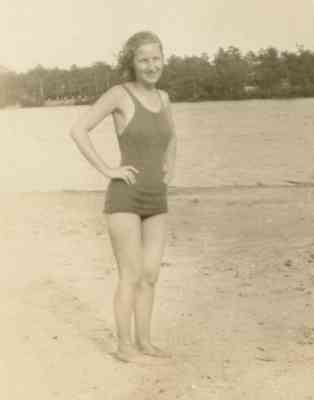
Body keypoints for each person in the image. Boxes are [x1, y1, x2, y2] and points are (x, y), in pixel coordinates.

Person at [70, 31, 177, 362]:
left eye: (156, 59)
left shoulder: (164, 98)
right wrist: (107, 169)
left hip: (156, 198)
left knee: (150, 275)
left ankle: (145, 342)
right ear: (132, 63)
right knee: (130, 275)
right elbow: (78, 130)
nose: (151, 65)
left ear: (163, 60)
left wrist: (170, 170)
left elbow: (172, 138)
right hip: (125, 198)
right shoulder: (120, 94)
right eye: (144, 60)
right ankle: (124, 346)